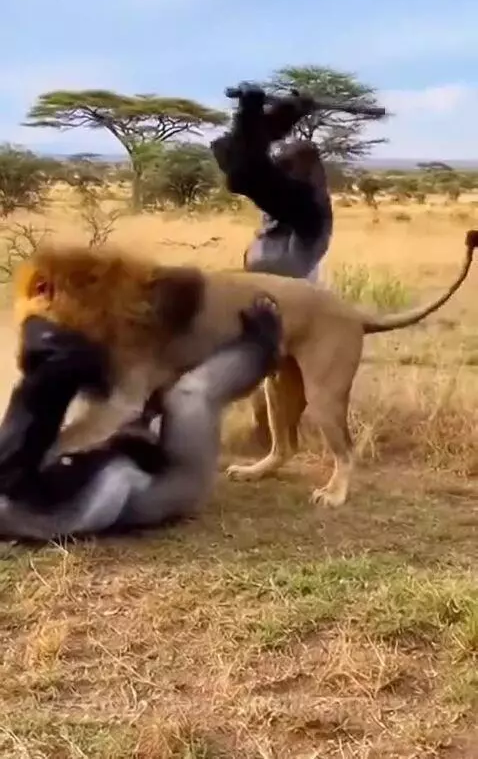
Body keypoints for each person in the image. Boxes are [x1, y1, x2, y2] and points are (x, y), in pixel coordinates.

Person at [0, 296, 282, 541]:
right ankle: (260, 350)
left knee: (71, 377)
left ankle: (55, 346)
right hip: (167, 484)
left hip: (97, 469)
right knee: (188, 396)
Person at [211, 82, 385, 282]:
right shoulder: (285, 208)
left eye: (286, 166)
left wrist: (249, 115)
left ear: (309, 172)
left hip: (291, 305)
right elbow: (231, 154)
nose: (278, 168)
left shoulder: (308, 214)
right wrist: (286, 114)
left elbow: (246, 174)